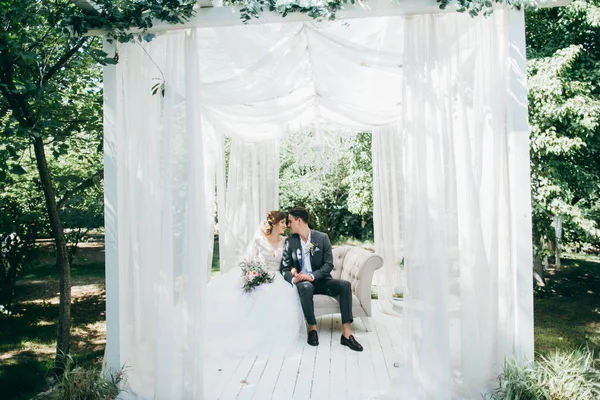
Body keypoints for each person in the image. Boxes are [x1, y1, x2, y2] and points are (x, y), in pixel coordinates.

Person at [204, 211, 304, 358]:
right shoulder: (259, 241)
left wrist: (294, 271)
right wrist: (253, 275)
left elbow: (289, 264)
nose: (285, 225)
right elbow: (248, 261)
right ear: (275, 223)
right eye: (283, 222)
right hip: (260, 275)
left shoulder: (286, 241)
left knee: (280, 294)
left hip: (278, 277)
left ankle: (272, 333)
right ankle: (250, 331)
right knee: (254, 293)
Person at [280, 207, 363, 351]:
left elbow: (328, 264)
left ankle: (347, 335)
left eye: (290, 221)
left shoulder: (322, 238)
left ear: (299, 221)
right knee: (305, 287)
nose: (288, 225)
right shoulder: (290, 242)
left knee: (344, 285)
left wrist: (312, 276)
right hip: (303, 283)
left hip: (321, 280)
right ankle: (312, 329)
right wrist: (295, 279)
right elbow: (284, 268)